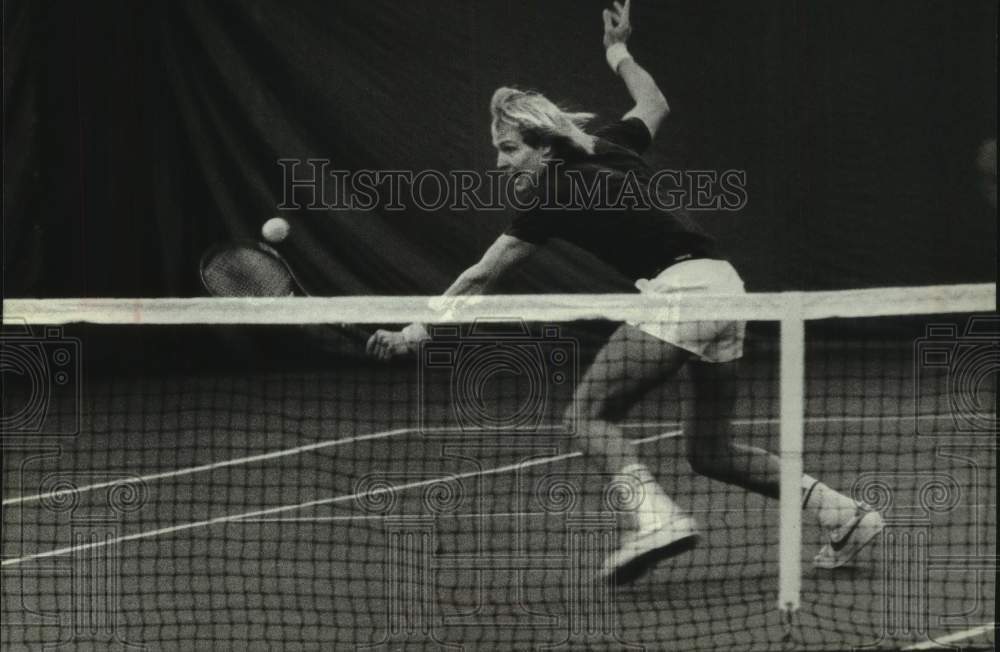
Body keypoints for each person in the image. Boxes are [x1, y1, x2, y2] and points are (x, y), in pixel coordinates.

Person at [367, 0, 883, 583]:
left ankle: (656, 520)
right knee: (709, 451)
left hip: (683, 291)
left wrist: (416, 330)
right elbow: (655, 103)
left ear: (542, 146)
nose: (499, 163)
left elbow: (480, 276)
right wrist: (619, 51)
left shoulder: (548, 194)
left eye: (509, 149)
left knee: (587, 416)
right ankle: (843, 515)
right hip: (726, 287)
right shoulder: (610, 145)